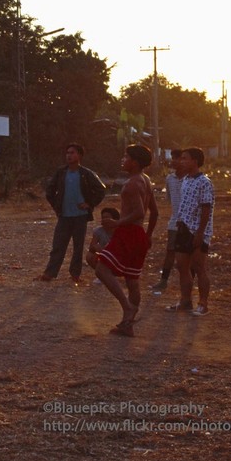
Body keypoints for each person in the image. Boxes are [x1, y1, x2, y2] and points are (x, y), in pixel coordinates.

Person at [95, 144, 159, 337]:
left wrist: (116, 223)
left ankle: (127, 308)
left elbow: (139, 212)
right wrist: (147, 235)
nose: (123, 160)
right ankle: (127, 325)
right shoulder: (145, 180)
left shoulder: (131, 184)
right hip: (138, 233)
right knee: (132, 280)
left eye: (126, 157)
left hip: (128, 232)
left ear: (135, 162)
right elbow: (153, 212)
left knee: (101, 269)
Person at [37, 143, 106, 284]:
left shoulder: (86, 174)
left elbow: (101, 189)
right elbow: (50, 191)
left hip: (80, 216)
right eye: (67, 153)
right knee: (58, 246)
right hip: (64, 216)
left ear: (79, 155)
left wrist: (89, 204)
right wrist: (57, 207)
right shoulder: (61, 173)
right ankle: (49, 274)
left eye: (72, 152)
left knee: (78, 247)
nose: (69, 155)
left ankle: (75, 275)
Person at [167, 147, 214, 316]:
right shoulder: (185, 180)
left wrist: (200, 233)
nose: (181, 161)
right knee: (182, 266)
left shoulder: (204, 182)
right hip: (183, 227)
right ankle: (185, 300)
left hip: (197, 230)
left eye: (185, 158)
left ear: (195, 161)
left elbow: (206, 209)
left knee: (199, 267)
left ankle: (203, 303)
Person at [151, 149, 186, 293]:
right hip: (174, 222)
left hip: (188, 224)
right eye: (173, 158)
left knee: (186, 255)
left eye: (176, 158)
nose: (173, 161)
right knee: (170, 252)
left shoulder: (190, 179)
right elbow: (170, 200)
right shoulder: (170, 179)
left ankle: (185, 283)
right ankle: (164, 281)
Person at [86, 206, 120, 274]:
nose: (104, 219)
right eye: (103, 217)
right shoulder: (99, 231)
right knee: (90, 256)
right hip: (104, 255)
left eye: (107, 217)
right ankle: (103, 274)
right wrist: (96, 248)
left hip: (117, 256)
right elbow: (91, 248)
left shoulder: (120, 231)